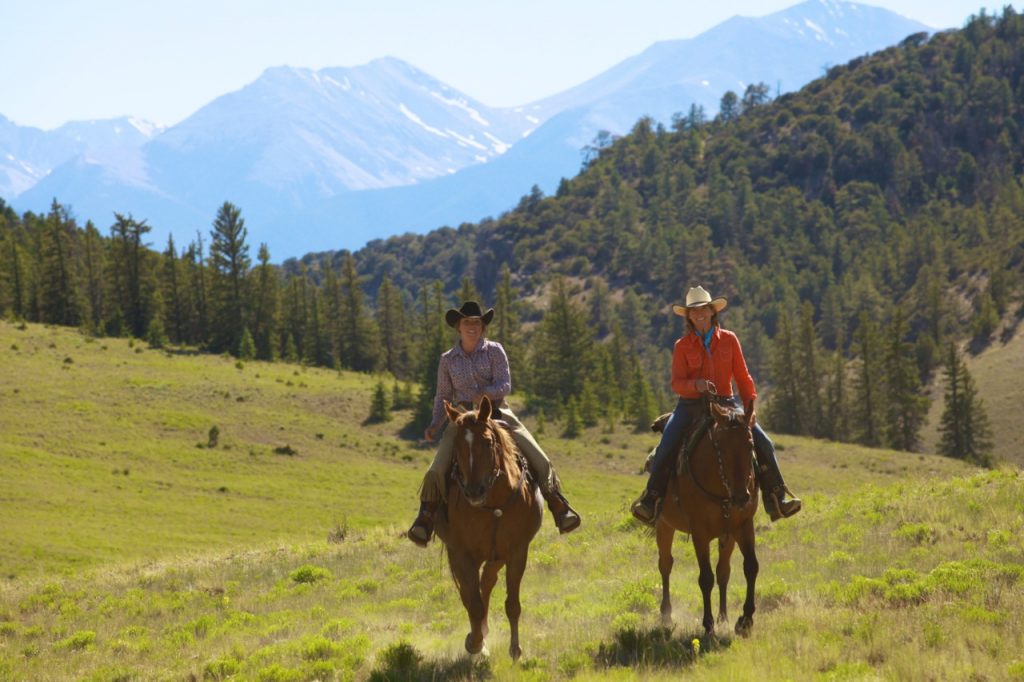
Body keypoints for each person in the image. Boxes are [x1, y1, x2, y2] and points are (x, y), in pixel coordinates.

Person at [408, 300, 581, 546]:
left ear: (482, 327)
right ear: (458, 326)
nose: (472, 327)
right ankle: (425, 518)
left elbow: (505, 384)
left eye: (477, 323)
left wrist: (485, 394)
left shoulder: (494, 350)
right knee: (436, 470)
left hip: (497, 412)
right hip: (461, 418)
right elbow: (443, 395)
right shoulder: (448, 360)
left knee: (538, 456)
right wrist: (435, 424)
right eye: (467, 322)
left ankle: (558, 506)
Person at [631, 285, 801, 524]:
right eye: (694, 311)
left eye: (704, 309)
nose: (699, 314)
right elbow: (677, 383)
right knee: (668, 442)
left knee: (764, 442)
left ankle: (778, 496)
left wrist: (750, 407)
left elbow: (743, 377)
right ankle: (651, 499)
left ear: (713, 312)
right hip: (690, 405)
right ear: (688, 316)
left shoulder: (729, 340)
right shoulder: (682, 346)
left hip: (727, 403)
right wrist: (696, 385)